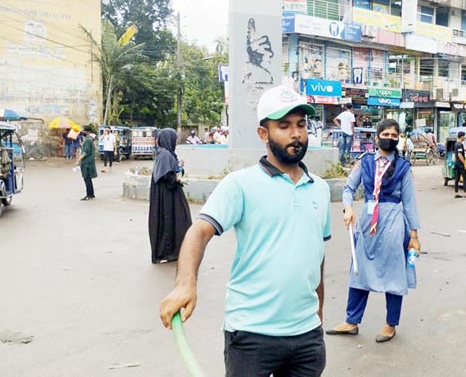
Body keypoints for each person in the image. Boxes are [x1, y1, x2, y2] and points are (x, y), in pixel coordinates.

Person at [159, 85, 331, 376]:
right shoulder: (240, 185)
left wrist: (318, 313)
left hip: (307, 336)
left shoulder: (321, 189)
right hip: (252, 336)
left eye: (301, 125)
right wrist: (185, 283)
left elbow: (317, 254)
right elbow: (198, 232)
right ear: (263, 134)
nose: (296, 134)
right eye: (284, 126)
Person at [326, 118, 421, 343]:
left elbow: (409, 202)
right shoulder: (365, 162)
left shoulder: (403, 167)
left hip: (392, 221)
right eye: (385, 135)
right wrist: (348, 209)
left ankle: (390, 324)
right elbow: (348, 188)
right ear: (377, 136)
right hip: (367, 222)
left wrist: (414, 235)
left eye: (394, 136)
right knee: (359, 270)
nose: (389, 139)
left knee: (394, 272)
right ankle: (352, 321)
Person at [149, 128, 193, 264]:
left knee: (178, 220)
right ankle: (167, 252)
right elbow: (165, 176)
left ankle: (175, 250)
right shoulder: (164, 154)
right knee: (170, 220)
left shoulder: (166, 153)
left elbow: (169, 170)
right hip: (166, 196)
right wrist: (177, 180)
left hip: (169, 193)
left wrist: (178, 167)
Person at [76, 127, 97, 201]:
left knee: (87, 179)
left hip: (86, 163)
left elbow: (86, 152)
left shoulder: (88, 140)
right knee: (88, 179)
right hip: (88, 162)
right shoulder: (88, 139)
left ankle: (89, 195)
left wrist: (78, 160)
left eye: (83, 130)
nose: (82, 131)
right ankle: (91, 194)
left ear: (87, 131)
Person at [454, 131, 466, 199]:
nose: (465, 137)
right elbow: (460, 155)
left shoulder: (457, 144)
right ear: (462, 136)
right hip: (460, 164)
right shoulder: (459, 144)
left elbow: (462, 151)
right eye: (464, 136)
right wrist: (464, 163)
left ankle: (456, 193)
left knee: (457, 178)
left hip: (457, 164)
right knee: (465, 178)